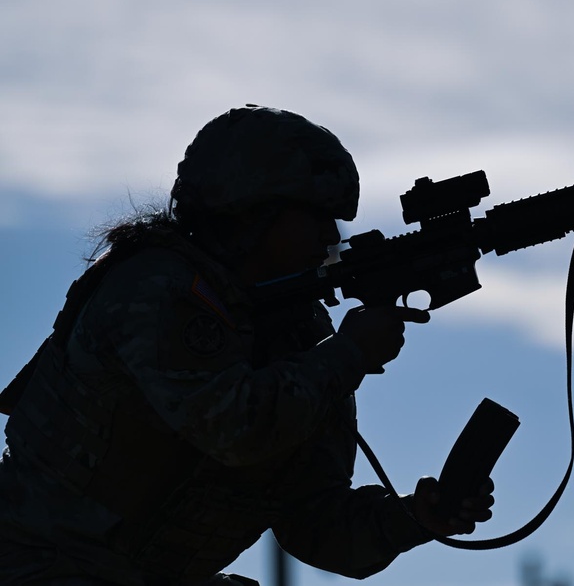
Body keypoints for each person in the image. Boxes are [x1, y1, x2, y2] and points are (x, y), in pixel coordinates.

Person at [0, 105, 495, 585]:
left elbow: (317, 528)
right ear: (251, 212)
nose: (331, 236)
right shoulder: (157, 288)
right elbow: (234, 428)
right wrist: (350, 354)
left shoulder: (299, 333)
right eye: (316, 216)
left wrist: (416, 519)